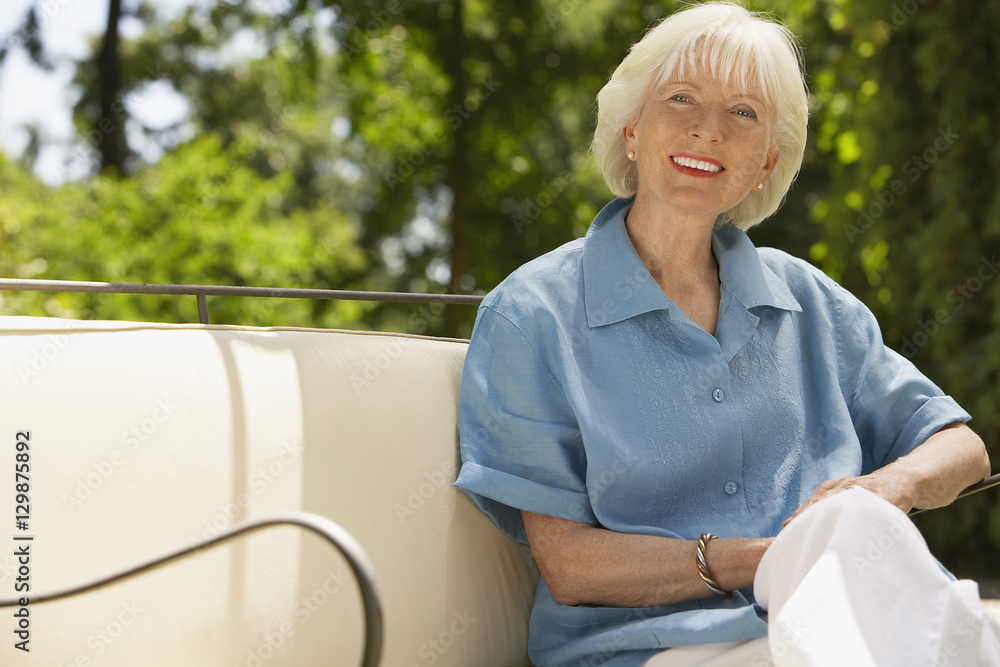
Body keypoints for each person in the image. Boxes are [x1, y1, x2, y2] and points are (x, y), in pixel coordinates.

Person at [454, 2, 998, 665]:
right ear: (630, 129)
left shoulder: (808, 299)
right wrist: (778, 560)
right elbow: (572, 565)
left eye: (743, 112)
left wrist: (885, 491)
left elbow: (960, 445)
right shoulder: (531, 312)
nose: (708, 130)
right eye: (681, 99)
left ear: (767, 162)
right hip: (652, 649)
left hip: (846, 616)